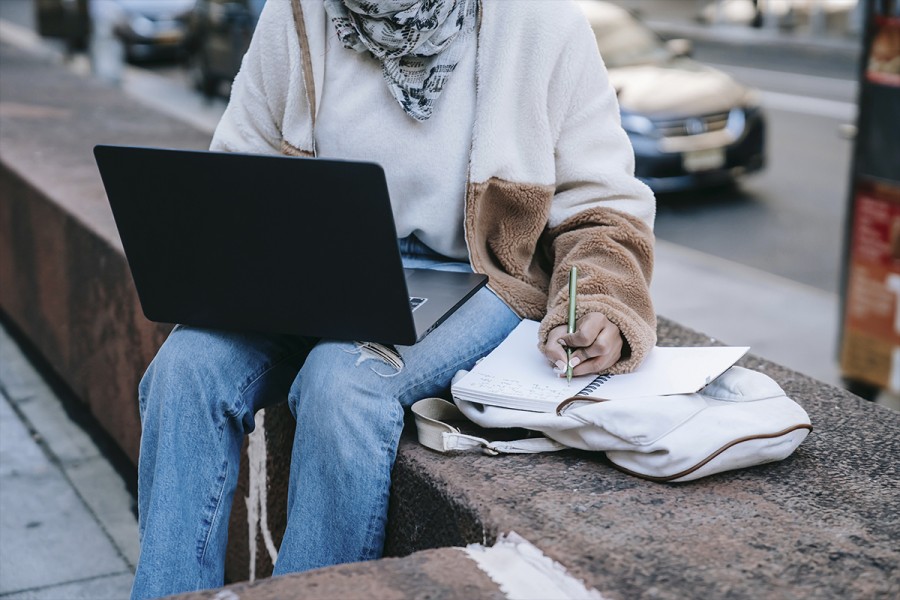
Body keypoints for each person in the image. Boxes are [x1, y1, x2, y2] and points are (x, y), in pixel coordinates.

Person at [130, 0, 657, 597]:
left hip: (473, 274)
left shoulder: (542, 23)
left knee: (343, 383)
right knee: (184, 370)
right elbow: (237, 164)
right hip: (311, 264)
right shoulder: (298, 13)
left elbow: (605, 208)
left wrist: (603, 302)